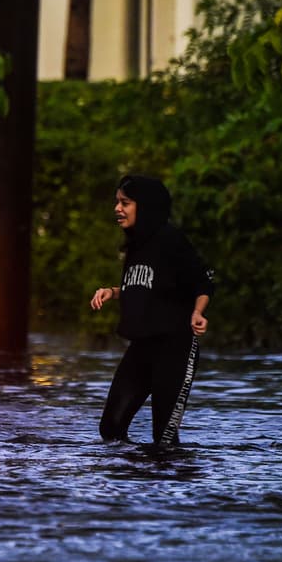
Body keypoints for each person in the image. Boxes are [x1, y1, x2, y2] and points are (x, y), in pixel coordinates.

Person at [90, 174, 214, 447]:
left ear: (145, 205)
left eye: (125, 203)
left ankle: (174, 485)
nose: (117, 209)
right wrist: (112, 292)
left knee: (165, 438)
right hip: (142, 346)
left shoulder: (171, 240)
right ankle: (131, 480)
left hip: (175, 347)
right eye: (117, 202)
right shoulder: (136, 245)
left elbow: (202, 282)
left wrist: (198, 312)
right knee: (111, 428)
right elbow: (145, 288)